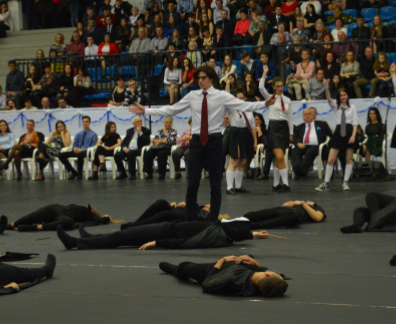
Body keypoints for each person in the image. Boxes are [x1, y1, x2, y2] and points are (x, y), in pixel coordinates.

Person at [129, 66, 275, 222]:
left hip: (214, 140)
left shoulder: (222, 96)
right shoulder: (193, 96)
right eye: (198, 78)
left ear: (211, 78)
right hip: (197, 141)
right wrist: (146, 111)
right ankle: (190, 219)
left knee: (215, 184)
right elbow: (172, 109)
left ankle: (213, 220)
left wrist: (264, 104)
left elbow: (245, 106)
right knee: (192, 183)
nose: (200, 81)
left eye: (203, 77)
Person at [57, 219, 268, 250]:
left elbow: (184, 242)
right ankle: (87, 238)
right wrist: (255, 234)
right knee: (125, 235)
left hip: (162, 232)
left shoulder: (214, 234)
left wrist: (156, 243)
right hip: (165, 227)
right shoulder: (223, 232)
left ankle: (76, 243)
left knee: (121, 238)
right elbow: (238, 227)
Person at [158, 255, 288, 298]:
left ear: (267, 274)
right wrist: (254, 262)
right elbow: (260, 271)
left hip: (212, 270)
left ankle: (173, 269)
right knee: (250, 256)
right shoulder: (259, 282)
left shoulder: (232, 279)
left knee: (183, 267)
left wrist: (221, 260)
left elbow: (207, 283)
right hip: (237, 266)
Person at [316, 83, 358, 192]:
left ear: (347, 96)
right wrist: (326, 88)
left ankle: (345, 182)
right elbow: (328, 99)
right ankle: (326, 183)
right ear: (338, 97)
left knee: (349, 159)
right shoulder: (336, 106)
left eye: (344, 95)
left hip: (349, 132)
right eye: (341, 95)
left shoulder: (352, 107)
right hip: (339, 132)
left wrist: (353, 135)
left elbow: (355, 123)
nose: (343, 97)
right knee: (330, 160)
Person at [257, 71, 293, 193]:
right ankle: (286, 185)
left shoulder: (287, 99)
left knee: (279, 159)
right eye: (277, 86)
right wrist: (264, 74)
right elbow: (261, 88)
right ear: (274, 87)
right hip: (273, 127)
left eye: (281, 86)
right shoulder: (270, 97)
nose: (280, 88)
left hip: (284, 127)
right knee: (279, 156)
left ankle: (276, 184)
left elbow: (290, 117)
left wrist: (291, 133)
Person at [222, 90, 257, 195]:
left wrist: (255, 141)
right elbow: (226, 97)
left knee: (242, 162)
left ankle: (238, 186)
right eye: (238, 98)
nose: (241, 100)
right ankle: (229, 187)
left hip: (246, 133)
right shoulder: (231, 108)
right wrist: (227, 85)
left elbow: (253, 127)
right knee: (234, 161)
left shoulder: (248, 109)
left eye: (242, 98)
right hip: (236, 133)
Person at [290, 108, 332, 180]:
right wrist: (298, 143)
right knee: (294, 151)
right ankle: (301, 171)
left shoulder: (322, 124)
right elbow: (294, 138)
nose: (307, 116)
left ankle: (300, 172)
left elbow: (330, 136)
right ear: (303, 117)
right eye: (305, 114)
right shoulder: (299, 127)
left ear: (313, 115)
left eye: (309, 114)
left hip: (316, 146)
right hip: (302, 146)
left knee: (310, 152)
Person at [9, 204, 113, 231]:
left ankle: (28, 227)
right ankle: (11, 225)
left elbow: (101, 220)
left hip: (61, 213)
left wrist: (107, 217)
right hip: (58, 209)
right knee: (33, 216)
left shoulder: (90, 215)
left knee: (68, 222)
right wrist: (107, 217)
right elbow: (102, 220)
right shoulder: (87, 212)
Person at [58, 116, 99, 181]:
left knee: (80, 154)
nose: (85, 123)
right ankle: (73, 172)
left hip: (87, 151)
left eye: (86, 122)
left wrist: (82, 149)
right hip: (77, 150)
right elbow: (75, 144)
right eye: (83, 122)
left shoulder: (93, 134)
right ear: (82, 123)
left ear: (89, 123)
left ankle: (80, 173)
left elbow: (93, 146)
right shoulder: (78, 134)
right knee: (61, 155)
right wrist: (75, 149)